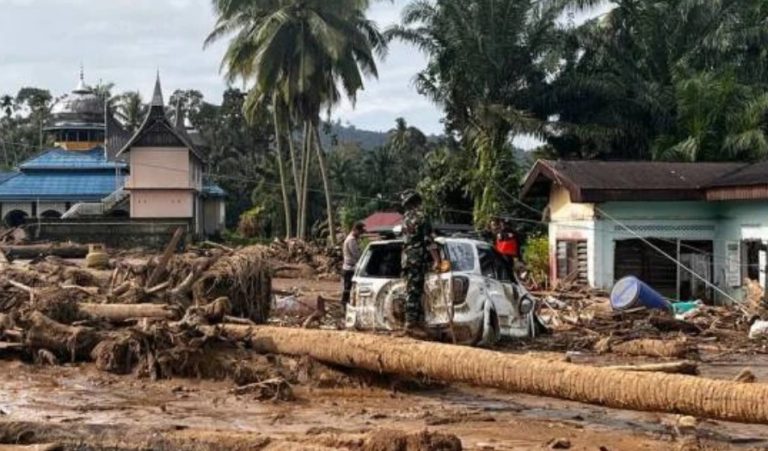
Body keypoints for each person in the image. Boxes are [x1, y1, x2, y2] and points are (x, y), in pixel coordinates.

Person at [400, 190, 440, 336]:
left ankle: (416, 322)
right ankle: (410, 325)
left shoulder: (405, 219)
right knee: (414, 291)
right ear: (418, 202)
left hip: (407, 258)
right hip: (416, 259)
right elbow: (428, 240)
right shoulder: (422, 217)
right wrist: (436, 259)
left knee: (412, 290)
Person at [341, 222, 365, 309]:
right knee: (348, 288)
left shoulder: (353, 239)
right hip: (350, 268)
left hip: (350, 267)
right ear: (355, 230)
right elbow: (357, 255)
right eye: (360, 232)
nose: (360, 234)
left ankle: (346, 304)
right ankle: (344, 305)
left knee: (348, 288)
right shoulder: (351, 240)